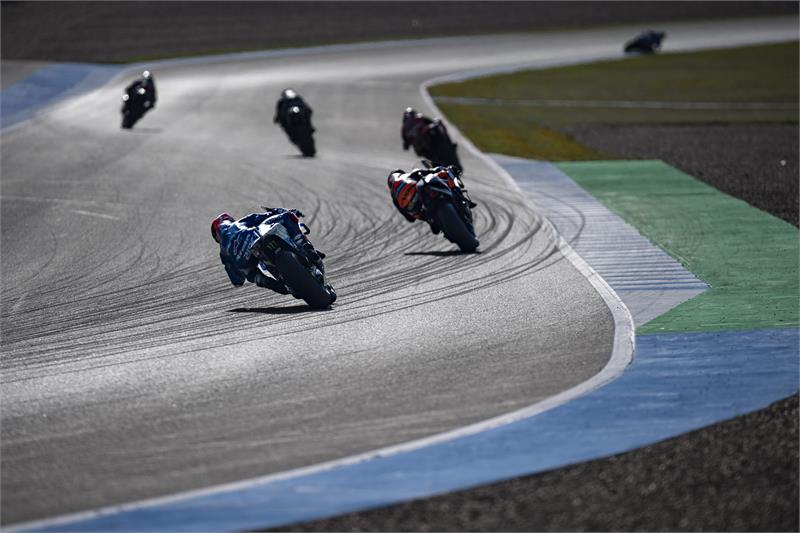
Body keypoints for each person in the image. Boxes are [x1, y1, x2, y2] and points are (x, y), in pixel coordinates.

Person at [210, 208, 334, 300]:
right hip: (254, 237)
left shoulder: (224, 253)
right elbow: (266, 216)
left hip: (246, 258)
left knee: (251, 275)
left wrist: (244, 271)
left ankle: (272, 283)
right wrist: (284, 211)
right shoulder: (240, 223)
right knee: (287, 216)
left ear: (217, 238)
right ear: (229, 220)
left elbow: (237, 281)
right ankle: (305, 247)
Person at [387, 165, 465, 233]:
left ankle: (433, 221)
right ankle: (435, 220)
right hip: (424, 205)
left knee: (434, 226)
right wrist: (441, 169)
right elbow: (427, 171)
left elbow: (410, 219)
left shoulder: (395, 198)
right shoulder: (408, 176)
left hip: (421, 207)